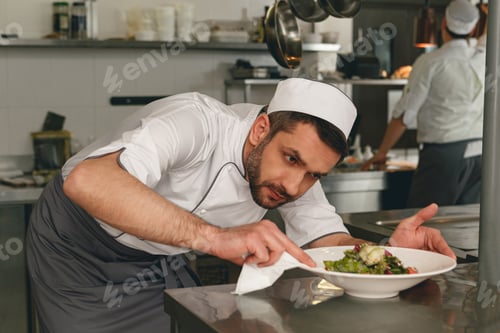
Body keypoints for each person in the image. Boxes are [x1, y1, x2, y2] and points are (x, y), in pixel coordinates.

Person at [26, 77, 456, 333]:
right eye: (291, 160)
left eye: (313, 174)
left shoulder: (296, 177)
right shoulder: (195, 122)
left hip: (157, 260)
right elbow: (88, 181)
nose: (294, 185)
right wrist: (213, 238)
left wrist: (386, 258)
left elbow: (327, 242)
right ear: (261, 129)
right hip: (78, 249)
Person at [362, 0, 486, 208]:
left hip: (443, 156)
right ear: (473, 28)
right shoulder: (483, 58)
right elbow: (487, 37)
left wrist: (382, 151)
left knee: (424, 220)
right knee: (469, 223)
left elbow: (405, 114)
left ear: (443, 22)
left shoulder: (430, 62)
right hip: (482, 155)